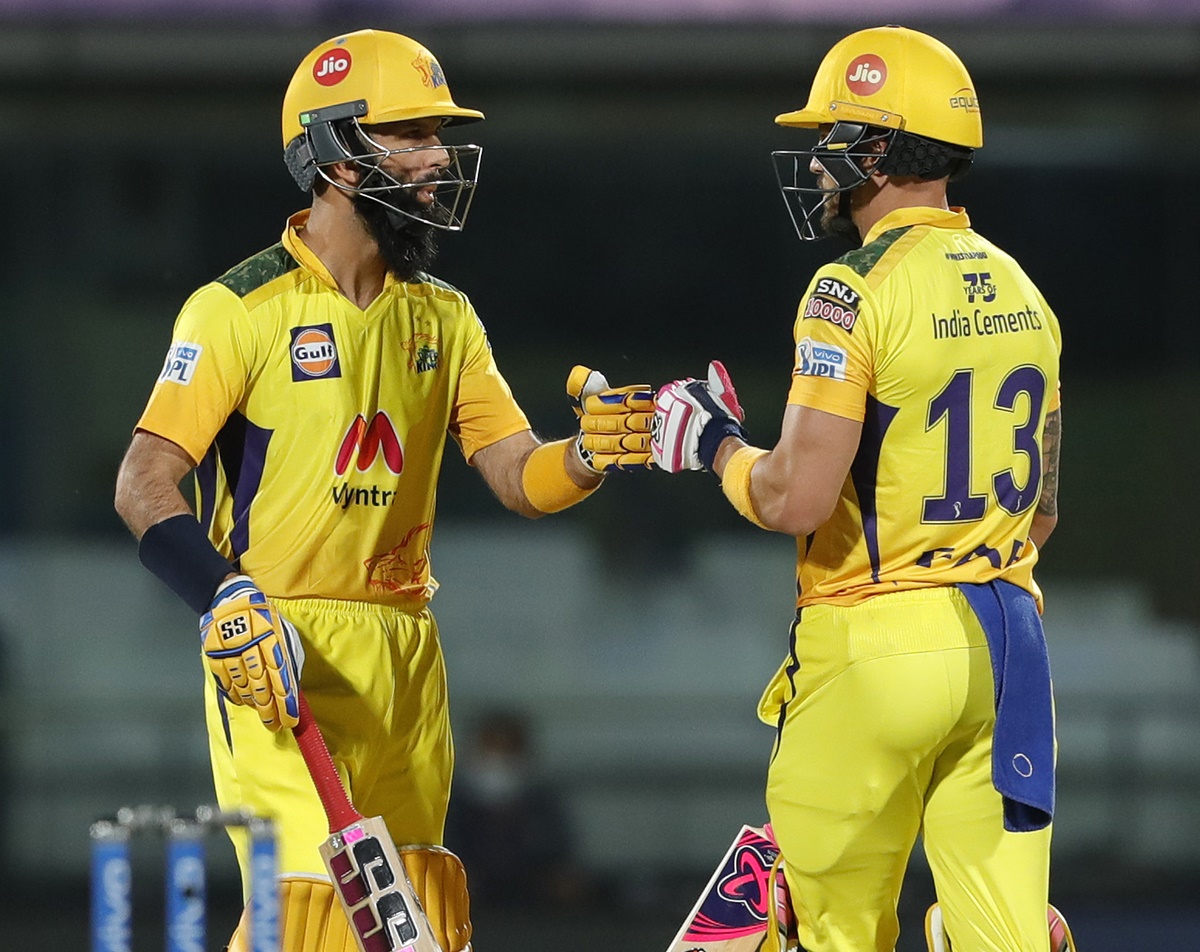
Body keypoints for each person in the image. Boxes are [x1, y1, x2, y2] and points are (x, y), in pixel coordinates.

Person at [113, 28, 651, 952]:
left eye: (438, 134)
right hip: (277, 649)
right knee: (315, 916)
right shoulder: (236, 308)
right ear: (334, 152)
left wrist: (589, 454)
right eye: (411, 134)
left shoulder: (444, 315)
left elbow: (519, 476)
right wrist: (223, 598)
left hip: (406, 652)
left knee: (418, 920)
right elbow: (142, 483)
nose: (439, 156)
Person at [650, 25, 1074, 952]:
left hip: (872, 639)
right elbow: (1040, 512)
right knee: (1003, 940)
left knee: (823, 935)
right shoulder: (1027, 292)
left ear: (876, 149)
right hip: (1010, 647)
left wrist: (712, 444)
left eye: (833, 135)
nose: (817, 161)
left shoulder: (848, 289)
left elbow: (793, 499)